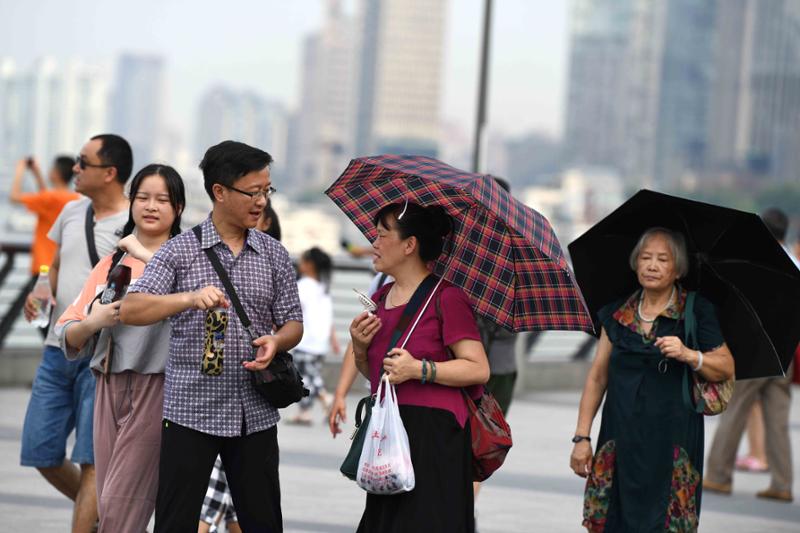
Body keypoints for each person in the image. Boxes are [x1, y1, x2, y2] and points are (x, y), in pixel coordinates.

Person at [119, 140, 303, 532]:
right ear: (219, 191)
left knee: (264, 522)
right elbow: (132, 309)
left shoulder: (274, 254)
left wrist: (277, 341)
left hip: (255, 412)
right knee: (175, 523)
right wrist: (187, 299)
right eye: (252, 192)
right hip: (190, 411)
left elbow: (293, 322)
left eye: (266, 191)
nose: (262, 202)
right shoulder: (179, 251)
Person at [570, 227, 734, 532]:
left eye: (663, 259)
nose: (652, 265)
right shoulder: (616, 313)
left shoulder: (695, 310)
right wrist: (582, 437)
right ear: (636, 263)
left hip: (673, 441)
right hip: (618, 438)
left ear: (678, 269)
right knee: (611, 521)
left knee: (665, 522)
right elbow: (597, 377)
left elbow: (725, 366)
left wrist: (689, 354)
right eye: (646, 257)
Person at [55, 164, 184, 532]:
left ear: (178, 207)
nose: (151, 206)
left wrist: (142, 253)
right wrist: (93, 322)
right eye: (143, 197)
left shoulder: (187, 259)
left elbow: (195, 300)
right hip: (108, 384)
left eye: (162, 199)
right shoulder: (114, 262)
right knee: (109, 497)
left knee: (124, 503)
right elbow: (68, 330)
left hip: (158, 387)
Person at [350, 201, 489, 533]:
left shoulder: (447, 297)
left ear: (409, 245)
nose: (374, 243)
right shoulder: (380, 299)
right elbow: (379, 376)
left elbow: (478, 368)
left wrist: (419, 369)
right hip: (389, 431)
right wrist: (359, 347)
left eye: (383, 235)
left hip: (436, 435)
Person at [20, 134, 133, 533]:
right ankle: (104, 517)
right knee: (41, 451)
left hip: (102, 356)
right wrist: (41, 292)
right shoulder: (71, 211)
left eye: (84, 162)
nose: (75, 168)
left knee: (92, 461)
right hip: (57, 347)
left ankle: (94, 519)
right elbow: (54, 264)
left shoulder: (134, 223)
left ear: (110, 173)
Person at [703, 208, 797, 503]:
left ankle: (718, 475)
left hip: (755, 351)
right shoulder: (794, 263)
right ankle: (782, 483)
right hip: (785, 354)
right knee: (778, 420)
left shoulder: (756, 261)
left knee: (735, 411)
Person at [287, 247, 340, 425]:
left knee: (307, 377)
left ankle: (326, 398)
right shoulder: (323, 288)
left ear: (309, 265)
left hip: (306, 340)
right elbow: (328, 317)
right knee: (308, 376)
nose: (300, 264)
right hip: (320, 341)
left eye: (302, 261)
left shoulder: (302, 286)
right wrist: (333, 339)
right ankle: (305, 412)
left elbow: (291, 312)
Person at [10, 155, 80, 276]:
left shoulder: (49, 198)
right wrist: (37, 174)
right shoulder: (74, 199)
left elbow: (14, 197)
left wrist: (19, 170)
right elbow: (44, 197)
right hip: (61, 267)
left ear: (56, 173)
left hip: (44, 266)